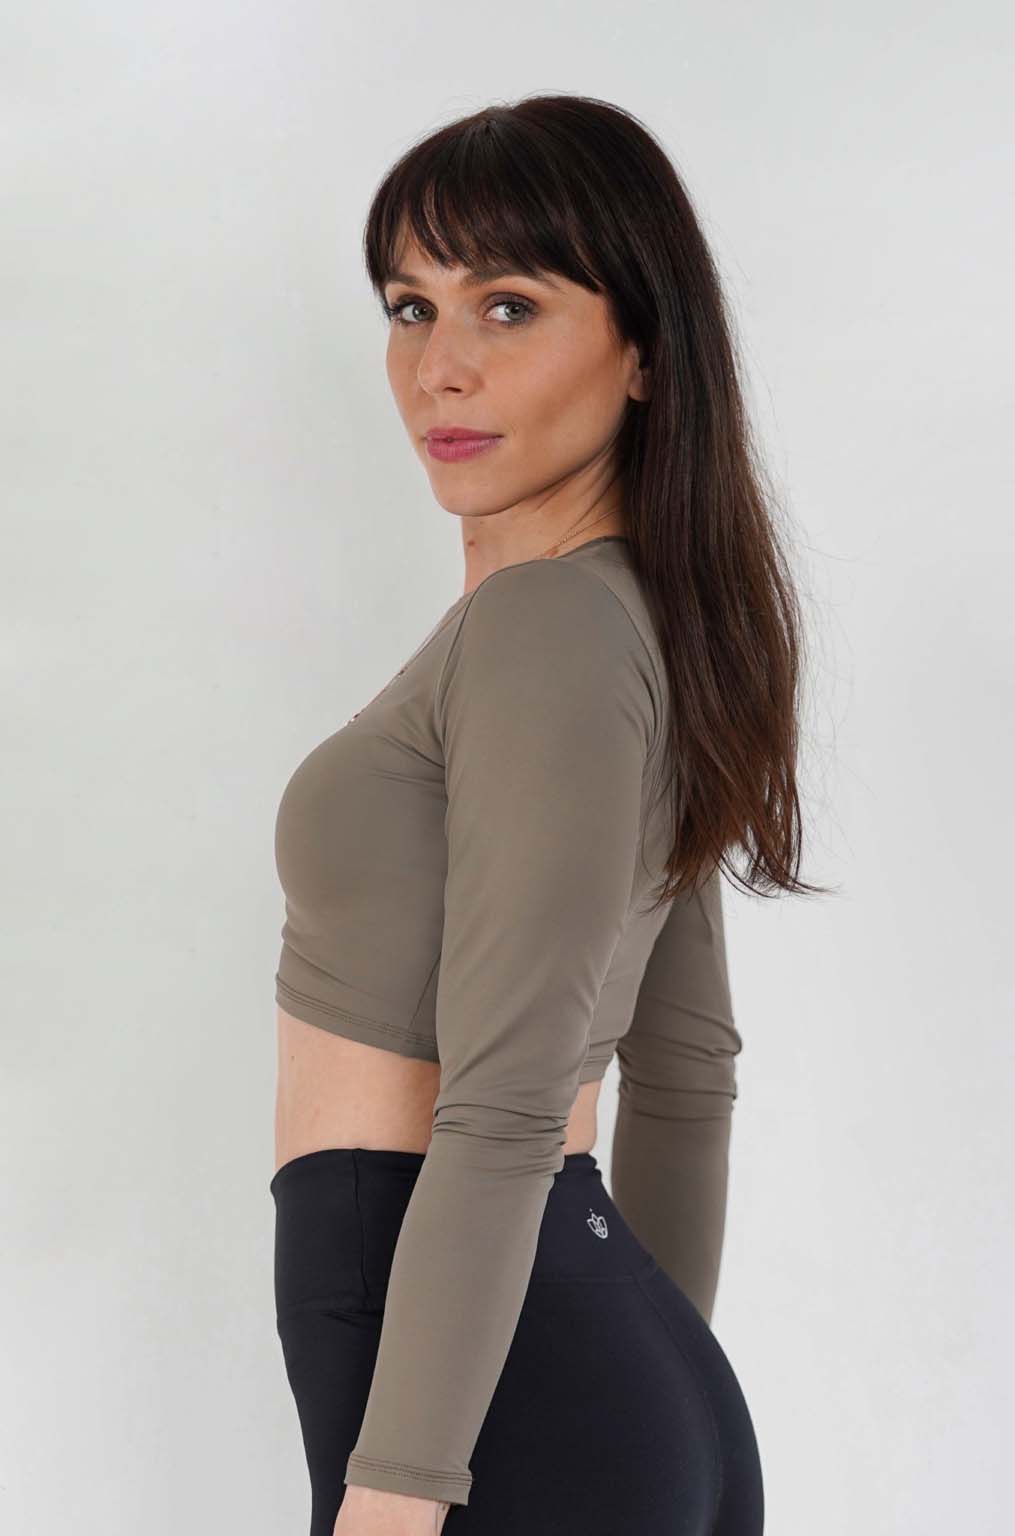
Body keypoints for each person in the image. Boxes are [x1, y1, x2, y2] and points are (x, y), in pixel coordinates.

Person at [270, 92, 824, 1536]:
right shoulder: (633, 627)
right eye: (411, 306)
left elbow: (511, 1100)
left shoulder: (550, 633)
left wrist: (400, 1494)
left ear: (643, 354)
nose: (439, 366)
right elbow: (686, 1073)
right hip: (580, 1378)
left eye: (507, 306)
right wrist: (647, 1381)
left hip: (482, 1403)